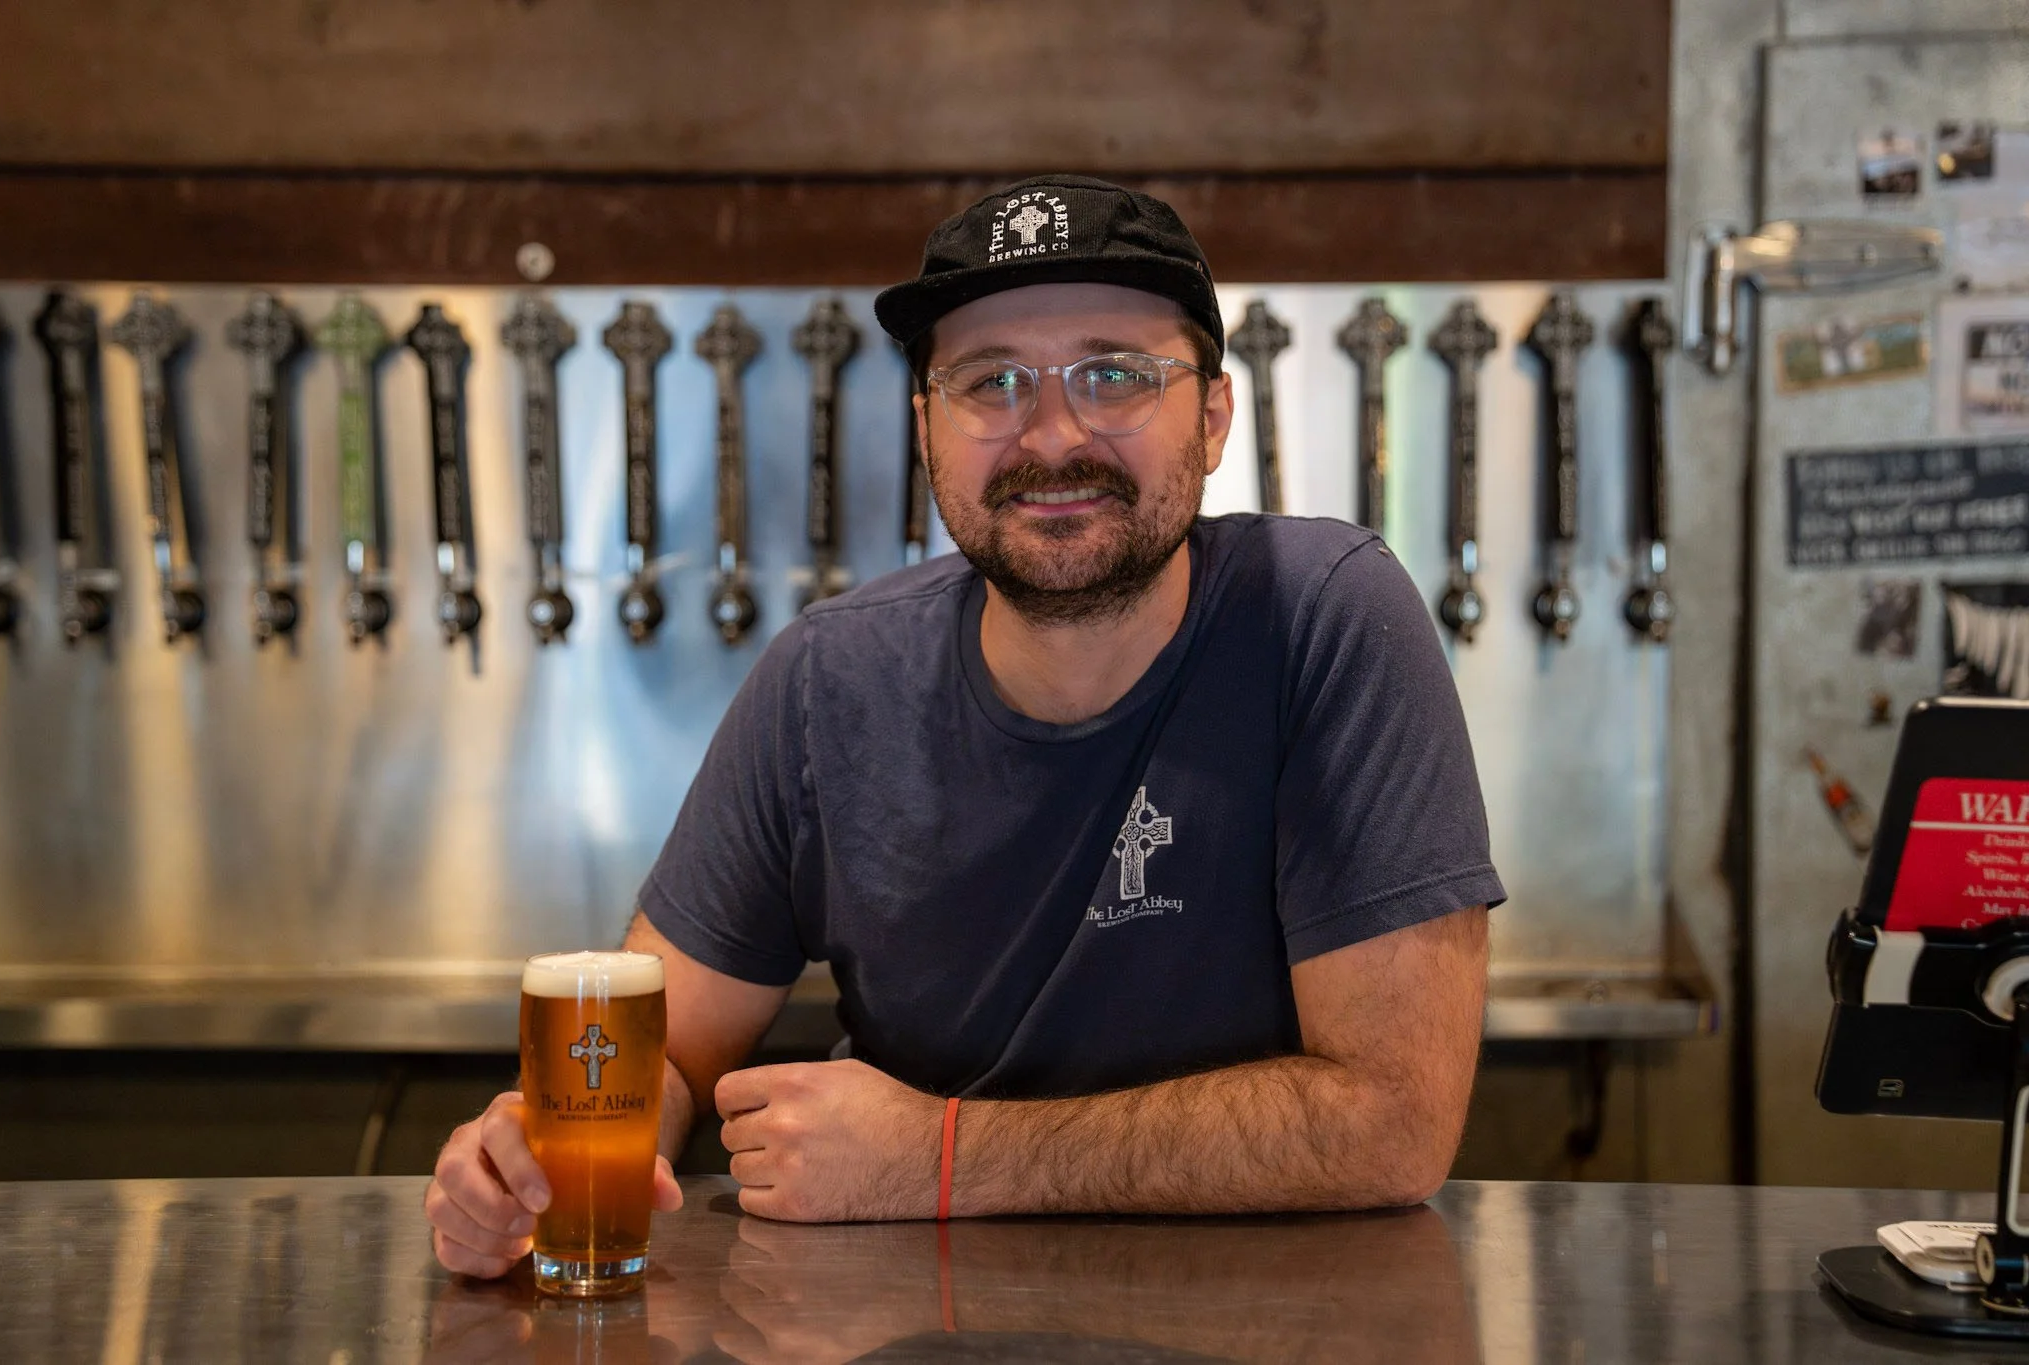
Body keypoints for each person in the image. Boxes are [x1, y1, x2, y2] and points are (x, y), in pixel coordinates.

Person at [426, 176, 1503, 1276]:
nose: (1052, 436)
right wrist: (539, 1150)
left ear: (1214, 417)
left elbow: (1392, 1123)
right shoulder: (824, 681)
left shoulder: (1323, 617)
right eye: (990, 382)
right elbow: (668, 1054)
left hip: (1279, 1324)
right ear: (926, 428)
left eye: (1114, 374)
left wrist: (941, 1159)